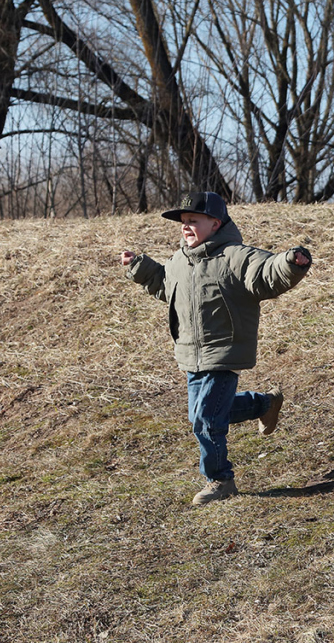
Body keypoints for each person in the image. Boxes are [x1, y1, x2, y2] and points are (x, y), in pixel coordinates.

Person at [120, 191, 312, 504]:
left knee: (206, 419)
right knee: (206, 414)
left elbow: (265, 273)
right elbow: (162, 284)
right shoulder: (180, 261)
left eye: (193, 220)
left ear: (215, 222)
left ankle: (220, 480)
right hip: (190, 355)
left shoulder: (234, 256)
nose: (185, 227)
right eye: (183, 222)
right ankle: (263, 404)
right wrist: (140, 268)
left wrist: (290, 263)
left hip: (223, 352)